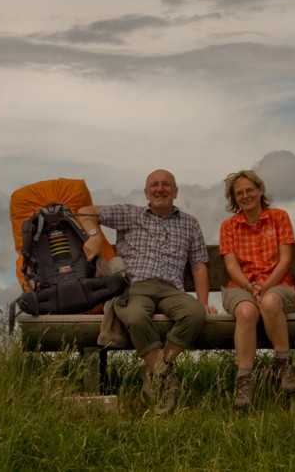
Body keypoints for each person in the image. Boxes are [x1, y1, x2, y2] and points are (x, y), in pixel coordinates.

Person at [77, 169, 216, 413]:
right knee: (135, 315)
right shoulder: (130, 214)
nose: (160, 189)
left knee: (194, 313)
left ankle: (154, 368)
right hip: (135, 285)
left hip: (171, 288)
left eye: (166, 185)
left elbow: (198, 265)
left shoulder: (190, 223)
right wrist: (94, 235)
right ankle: (165, 377)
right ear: (146, 192)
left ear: (175, 191)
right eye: (154, 185)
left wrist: (203, 301)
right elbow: (84, 212)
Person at [219, 169, 295, 410]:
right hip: (241, 285)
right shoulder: (229, 226)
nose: (245, 196)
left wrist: (265, 286)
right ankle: (244, 380)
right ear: (234, 199)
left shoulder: (279, 217)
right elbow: (231, 265)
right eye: (239, 193)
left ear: (260, 190)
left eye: (250, 190)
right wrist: (249, 286)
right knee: (246, 312)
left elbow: (285, 260)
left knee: (270, 303)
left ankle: (284, 366)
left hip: (278, 284)